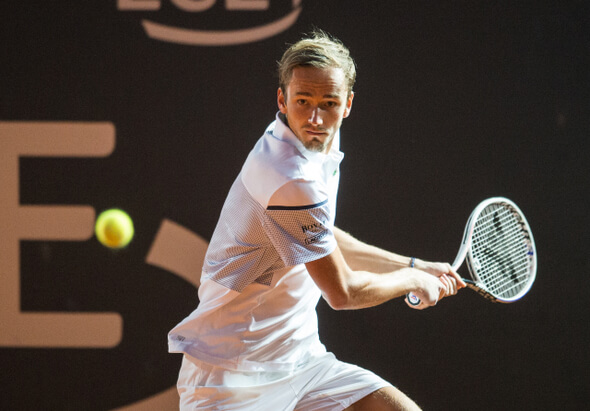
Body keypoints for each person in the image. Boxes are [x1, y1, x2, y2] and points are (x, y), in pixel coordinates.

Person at [168, 29, 465, 411]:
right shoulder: (287, 177)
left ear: (347, 105)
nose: (314, 117)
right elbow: (343, 293)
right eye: (302, 101)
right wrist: (412, 280)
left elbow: (321, 236)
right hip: (230, 379)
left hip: (302, 363)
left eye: (328, 103)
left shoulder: (315, 147)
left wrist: (411, 263)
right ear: (282, 99)